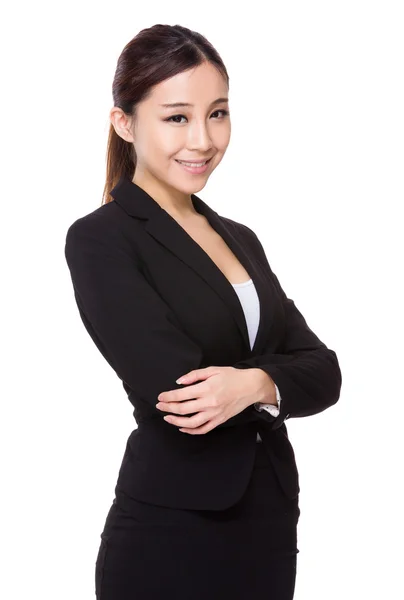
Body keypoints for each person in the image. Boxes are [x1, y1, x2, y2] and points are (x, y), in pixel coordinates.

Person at [64, 23, 342, 600]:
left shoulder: (239, 237)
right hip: (171, 531)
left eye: (217, 113)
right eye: (176, 117)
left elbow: (326, 370)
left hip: (266, 521)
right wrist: (277, 382)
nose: (203, 139)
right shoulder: (103, 239)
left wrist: (253, 382)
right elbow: (177, 389)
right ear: (125, 123)